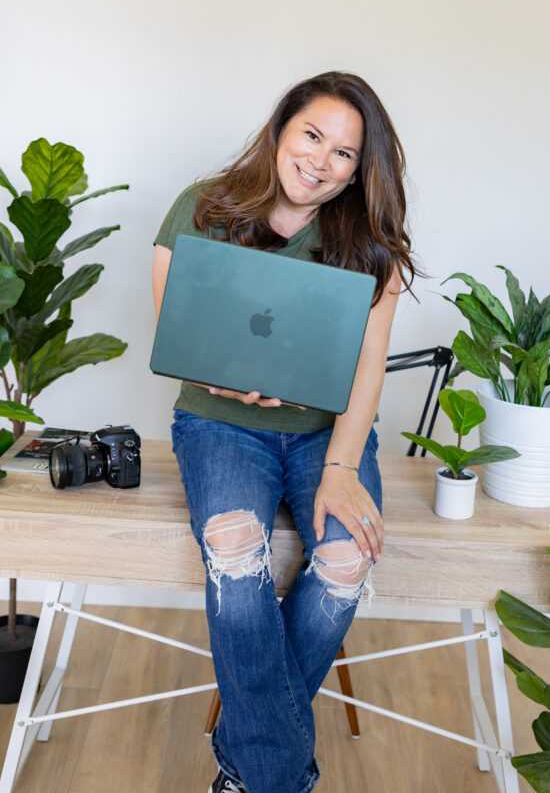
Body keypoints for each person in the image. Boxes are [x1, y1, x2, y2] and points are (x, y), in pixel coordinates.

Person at [152, 71, 418, 793]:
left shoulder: (370, 242)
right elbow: (171, 325)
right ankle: (279, 778)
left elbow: (368, 373)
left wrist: (338, 467)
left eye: (344, 154)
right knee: (235, 556)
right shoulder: (203, 206)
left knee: (343, 560)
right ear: (280, 130)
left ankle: (249, 771)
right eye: (312, 136)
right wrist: (216, 376)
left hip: (323, 436)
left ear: (361, 170)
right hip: (220, 427)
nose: (321, 161)